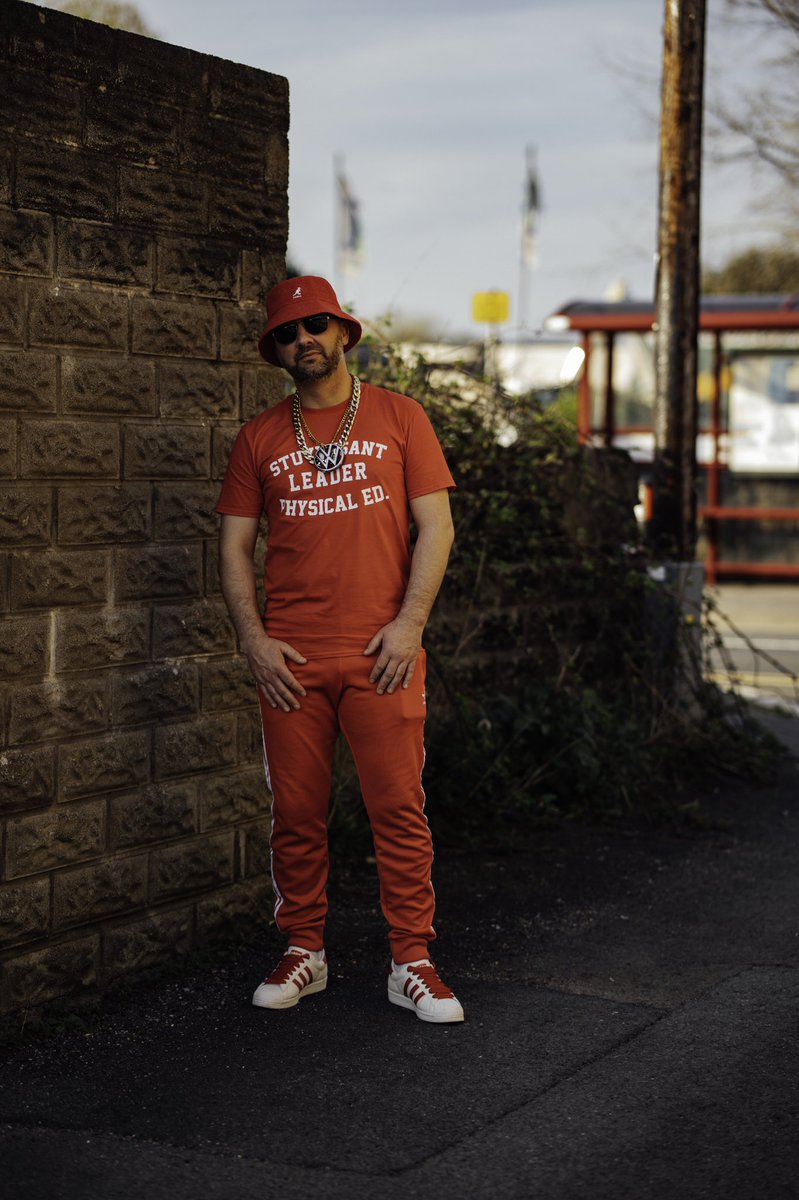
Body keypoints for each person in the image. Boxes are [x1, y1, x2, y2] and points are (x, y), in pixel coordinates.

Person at [215, 276, 464, 1024]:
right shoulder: (260, 435)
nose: (304, 341)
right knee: (294, 810)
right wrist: (253, 639)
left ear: (343, 332)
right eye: (289, 334)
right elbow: (233, 547)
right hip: (291, 659)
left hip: (381, 649)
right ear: (278, 351)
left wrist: (410, 623)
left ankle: (411, 961)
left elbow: (437, 527)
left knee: (398, 808)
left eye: (316, 325)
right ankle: (304, 951)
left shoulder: (399, 417)